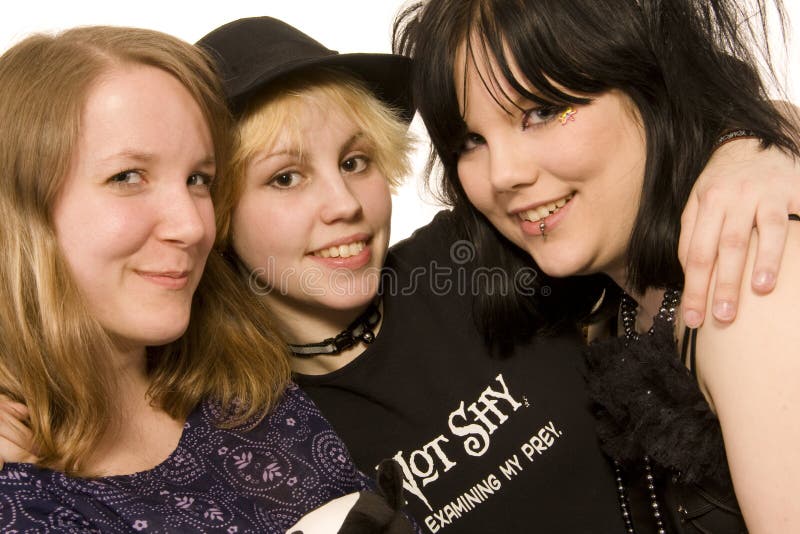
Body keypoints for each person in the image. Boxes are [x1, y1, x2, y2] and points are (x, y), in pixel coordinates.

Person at [2, 14, 800, 533]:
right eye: (284, 179)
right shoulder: (254, 418)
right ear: (221, 226)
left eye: (355, 162)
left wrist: (752, 148)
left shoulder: (478, 258)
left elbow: (629, 176)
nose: (343, 205)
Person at [393, 0, 800, 531]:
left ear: (648, 85)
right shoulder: (614, 308)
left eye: (540, 111)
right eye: (472, 141)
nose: (504, 174)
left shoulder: (748, 282)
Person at [0, 25, 408, 533]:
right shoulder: (22, 499)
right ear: (18, 210)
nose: (194, 226)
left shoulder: (243, 382)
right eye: (127, 177)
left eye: (199, 180)